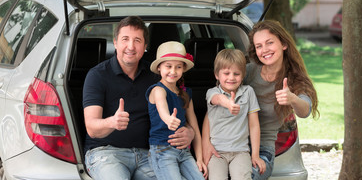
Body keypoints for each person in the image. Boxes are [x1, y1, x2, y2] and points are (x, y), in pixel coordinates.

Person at [202, 20, 319, 180]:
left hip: (263, 148)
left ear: (284, 44)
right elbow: (215, 109)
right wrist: (206, 144)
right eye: (259, 46)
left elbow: (305, 110)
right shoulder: (246, 72)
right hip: (228, 142)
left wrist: (292, 99)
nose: (264, 50)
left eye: (269, 43)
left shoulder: (294, 80)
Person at [83, 16, 195, 180]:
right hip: (106, 154)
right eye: (125, 39)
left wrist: (190, 133)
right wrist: (112, 122)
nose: (130, 46)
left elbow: (176, 116)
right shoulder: (97, 76)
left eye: (137, 40)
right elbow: (92, 128)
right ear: (115, 42)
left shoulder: (157, 76)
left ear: (145, 46)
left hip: (149, 154)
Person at [146, 41, 207, 180]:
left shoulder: (186, 94)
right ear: (159, 68)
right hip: (162, 151)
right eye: (168, 66)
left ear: (183, 69)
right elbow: (162, 110)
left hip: (184, 152)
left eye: (178, 67)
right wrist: (169, 119)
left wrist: (199, 158)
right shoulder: (158, 90)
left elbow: (194, 128)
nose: (173, 71)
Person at [206, 49, 265, 180]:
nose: (231, 77)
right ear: (217, 75)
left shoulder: (248, 92)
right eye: (226, 73)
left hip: (241, 152)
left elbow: (254, 125)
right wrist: (228, 104)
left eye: (236, 74)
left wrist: (255, 155)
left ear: (243, 75)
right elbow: (217, 99)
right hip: (217, 152)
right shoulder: (211, 92)